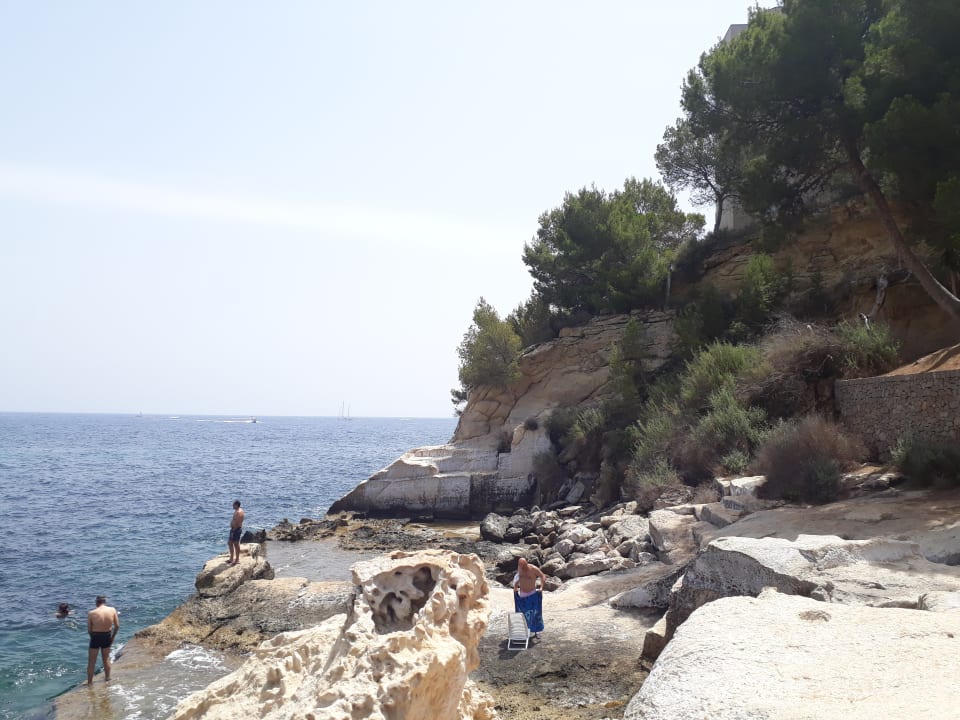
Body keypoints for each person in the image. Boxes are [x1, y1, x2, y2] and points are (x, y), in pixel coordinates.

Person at [86, 595, 119, 684]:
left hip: (95, 636)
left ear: (96, 602)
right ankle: (107, 678)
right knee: (106, 658)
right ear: (104, 602)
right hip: (107, 635)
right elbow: (117, 626)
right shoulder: (112, 610)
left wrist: (93, 638)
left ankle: (90, 682)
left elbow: (89, 630)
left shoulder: (91, 613)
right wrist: (112, 637)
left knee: (92, 661)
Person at [513, 557, 547, 638]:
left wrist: (541, 587)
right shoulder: (520, 569)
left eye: (523, 565)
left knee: (535, 612)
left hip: (532, 593)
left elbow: (542, 576)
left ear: (526, 563)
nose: (522, 567)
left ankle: (537, 631)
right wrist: (515, 587)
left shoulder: (533, 569)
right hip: (523, 593)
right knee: (524, 613)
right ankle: (525, 630)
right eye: (520, 565)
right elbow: (518, 579)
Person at [228, 499, 245, 565]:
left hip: (236, 530)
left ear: (236, 505)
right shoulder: (237, 511)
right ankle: (231, 558)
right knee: (230, 543)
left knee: (236, 544)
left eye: (233, 505)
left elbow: (237, 522)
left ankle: (237, 559)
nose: (232, 506)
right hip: (234, 529)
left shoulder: (238, 512)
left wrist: (234, 529)